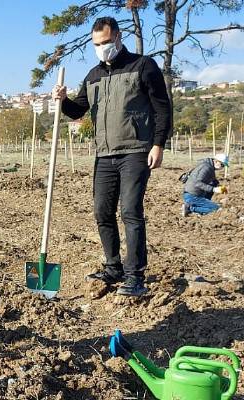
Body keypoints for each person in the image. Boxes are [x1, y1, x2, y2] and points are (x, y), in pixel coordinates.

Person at [52, 16, 172, 297]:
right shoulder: (93, 75)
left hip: (135, 150)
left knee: (130, 211)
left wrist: (158, 144)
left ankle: (135, 276)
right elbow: (76, 111)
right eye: (97, 44)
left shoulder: (142, 66)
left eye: (106, 42)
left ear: (118, 37)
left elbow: (162, 107)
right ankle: (113, 266)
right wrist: (63, 99)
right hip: (104, 154)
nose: (102, 47)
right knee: (102, 212)